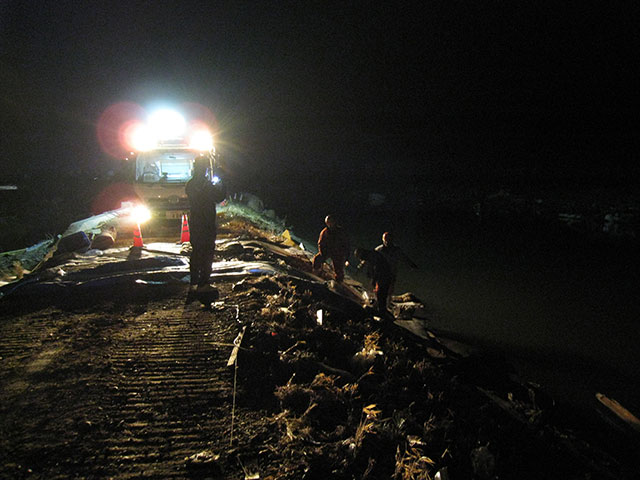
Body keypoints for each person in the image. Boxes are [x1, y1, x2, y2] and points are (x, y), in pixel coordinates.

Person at [185, 155, 226, 295]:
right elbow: (220, 197)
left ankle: (194, 282)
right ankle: (203, 283)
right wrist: (222, 181)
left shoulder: (190, 184)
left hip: (196, 222)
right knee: (207, 252)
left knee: (196, 251)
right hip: (206, 222)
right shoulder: (205, 185)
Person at [374, 231, 418, 309]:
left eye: (388, 240)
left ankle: (386, 305)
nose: (387, 242)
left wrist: (411, 265)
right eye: (385, 240)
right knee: (379, 289)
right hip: (381, 273)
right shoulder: (379, 250)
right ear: (383, 240)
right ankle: (379, 304)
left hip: (391, 273)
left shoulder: (396, 250)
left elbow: (404, 258)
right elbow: (371, 258)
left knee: (389, 290)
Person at [355, 247, 394, 318]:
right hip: (385, 275)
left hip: (383, 276)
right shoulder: (372, 254)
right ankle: (382, 310)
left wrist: (375, 281)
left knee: (381, 294)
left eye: (360, 258)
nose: (361, 260)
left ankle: (382, 312)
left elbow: (377, 269)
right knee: (381, 295)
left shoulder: (372, 257)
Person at [312, 215, 350, 283]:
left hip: (337, 252)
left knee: (339, 269)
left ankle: (339, 282)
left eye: (331, 222)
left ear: (334, 222)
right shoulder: (324, 232)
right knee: (317, 259)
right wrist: (322, 253)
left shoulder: (340, 232)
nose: (330, 224)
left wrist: (346, 256)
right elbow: (320, 243)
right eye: (328, 223)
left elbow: (346, 244)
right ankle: (315, 274)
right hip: (327, 251)